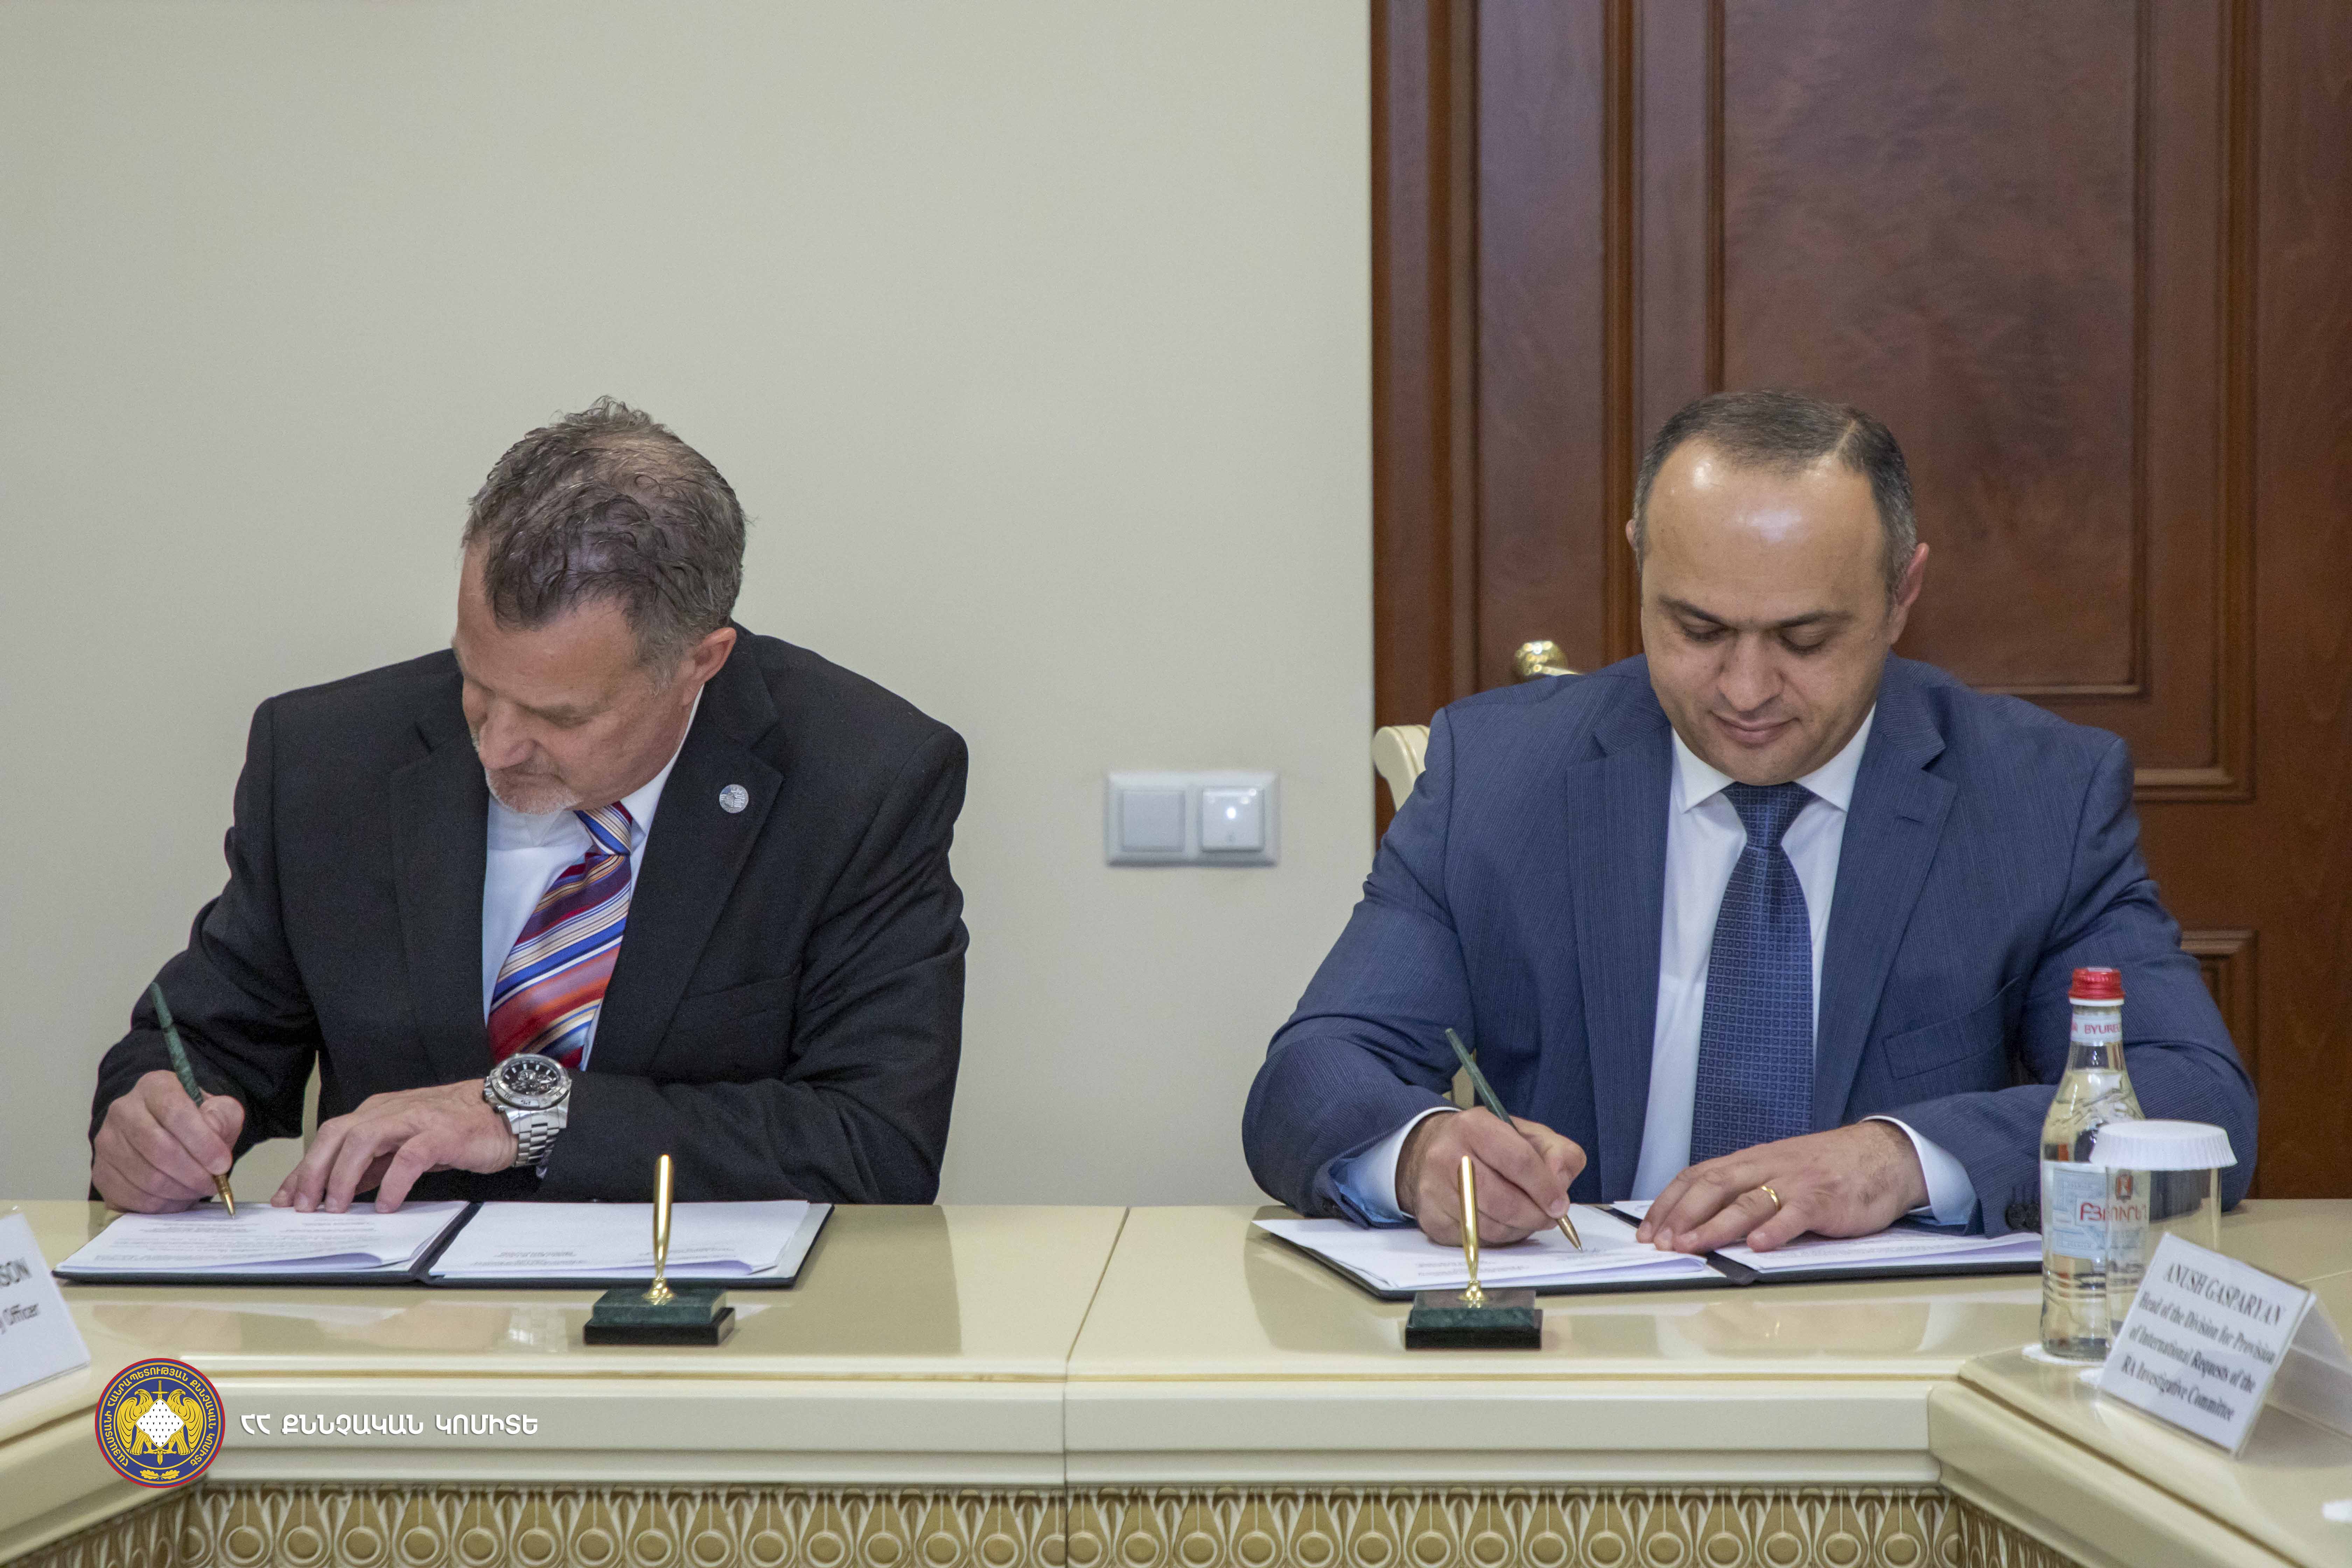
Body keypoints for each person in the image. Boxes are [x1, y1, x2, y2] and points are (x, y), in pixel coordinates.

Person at [1242, 389, 2256, 1252]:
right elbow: (1313, 1073)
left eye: (1805, 639)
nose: (1746, 689)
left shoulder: (2035, 796)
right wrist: (1421, 1151)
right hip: (1589, 1347)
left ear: (1902, 594)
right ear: (1639, 564)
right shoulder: (1499, 775)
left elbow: (2193, 1098)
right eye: (1698, 629)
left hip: (1901, 1356)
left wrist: (1902, 1158)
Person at [90, 399, 967, 1213]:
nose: (499, 746)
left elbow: (875, 1143)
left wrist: (527, 1115)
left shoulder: (861, 781)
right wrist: (153, 1120)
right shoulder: (328, 760)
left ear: (700, 661)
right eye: (477, 681)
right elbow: (206, 1043)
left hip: (698, 1310)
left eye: (561, 715)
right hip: (394, 1313)